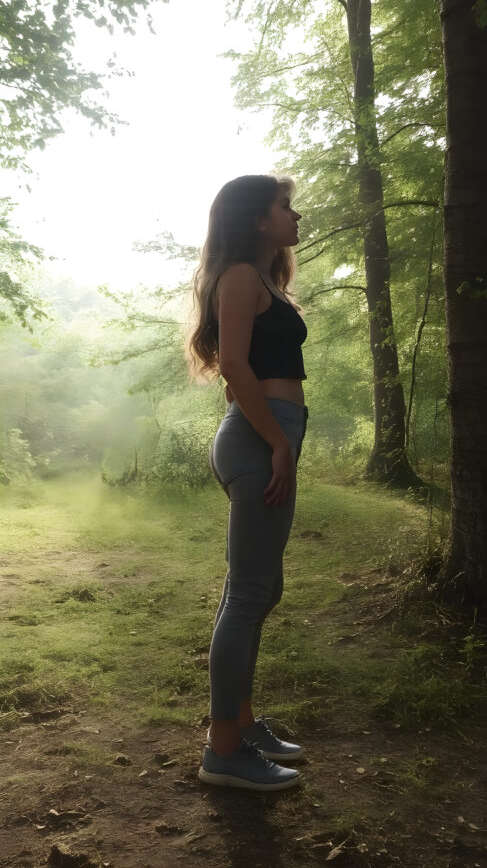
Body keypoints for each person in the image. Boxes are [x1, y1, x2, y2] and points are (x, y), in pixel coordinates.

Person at [188, 173, 308, 792]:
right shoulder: (238, 276)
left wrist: (283, 436)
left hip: (270, 433)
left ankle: (243, 721)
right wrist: (278, 440)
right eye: (285, 207)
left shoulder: (266, 280)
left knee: (261, 591)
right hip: (258, 436)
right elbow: (234, 365)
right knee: (249, 592)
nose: (295, 216)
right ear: (258, 219)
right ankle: (224, 751)